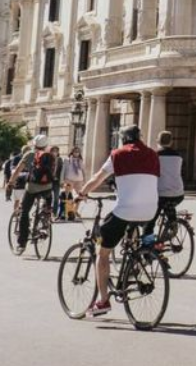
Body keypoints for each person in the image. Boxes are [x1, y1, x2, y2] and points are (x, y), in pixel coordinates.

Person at [78, 126, 160, 317]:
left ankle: (103, 301)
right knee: (132, 234)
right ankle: (135, 263)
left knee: (103, 252)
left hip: (126, 210)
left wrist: (82, 194)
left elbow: (98, 178)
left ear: (123, 139)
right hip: (150, 210)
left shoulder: (118, 154)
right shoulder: (153, 155)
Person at [11, 135, 56, 253]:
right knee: (46, 206)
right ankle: (44, 223)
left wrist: (11, 182)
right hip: (47, 187)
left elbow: (18, 170)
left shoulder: (29, 154)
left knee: (24, 212)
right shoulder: (51, 156)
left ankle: (22, 244)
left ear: (34, 144)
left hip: (32, 187)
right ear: (46, 145)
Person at [155, 131, 185, 236]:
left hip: (160, 193)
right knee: (169, 204)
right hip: (179, 193)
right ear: (171, 142)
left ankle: (148, 244)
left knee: (151, 220)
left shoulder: (155, 155)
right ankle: (172, 224)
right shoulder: (179, 156)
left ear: (157, 141)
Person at [61, 146, 87, 218]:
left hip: (79, 180)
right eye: (75, 151)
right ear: (72, 152)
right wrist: (62, 180)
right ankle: (69, 212)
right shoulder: (67, 160)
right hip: (69, 179)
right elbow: (63, 170)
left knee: (80, 196)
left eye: (78, 152)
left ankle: (75, 211)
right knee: (67, 196)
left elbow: (83, 171)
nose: (77, 153)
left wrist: (85, 180)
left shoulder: (80, 160)